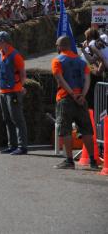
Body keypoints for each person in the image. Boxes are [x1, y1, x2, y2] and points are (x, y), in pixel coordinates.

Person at [52, 36, 98, 169]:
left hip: (65, 98)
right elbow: (87, 79)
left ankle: (69, 161)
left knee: (65, 130)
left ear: (60, 46)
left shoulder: (57, 60)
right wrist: (82, 95)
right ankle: (93, 161)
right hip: (81, 100)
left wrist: (72, 94)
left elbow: (60, 80)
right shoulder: (81, 61)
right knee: (86, 130)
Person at [0, 31, 28, 155]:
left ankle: (22, 146)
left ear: (3, 42)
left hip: (13, 91)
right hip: (3, 91)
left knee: (17, 119)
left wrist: (20, 87)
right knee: (7, 119)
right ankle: (12, 145)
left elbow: (23, 74)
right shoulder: (0, 54)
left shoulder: (15, 55)